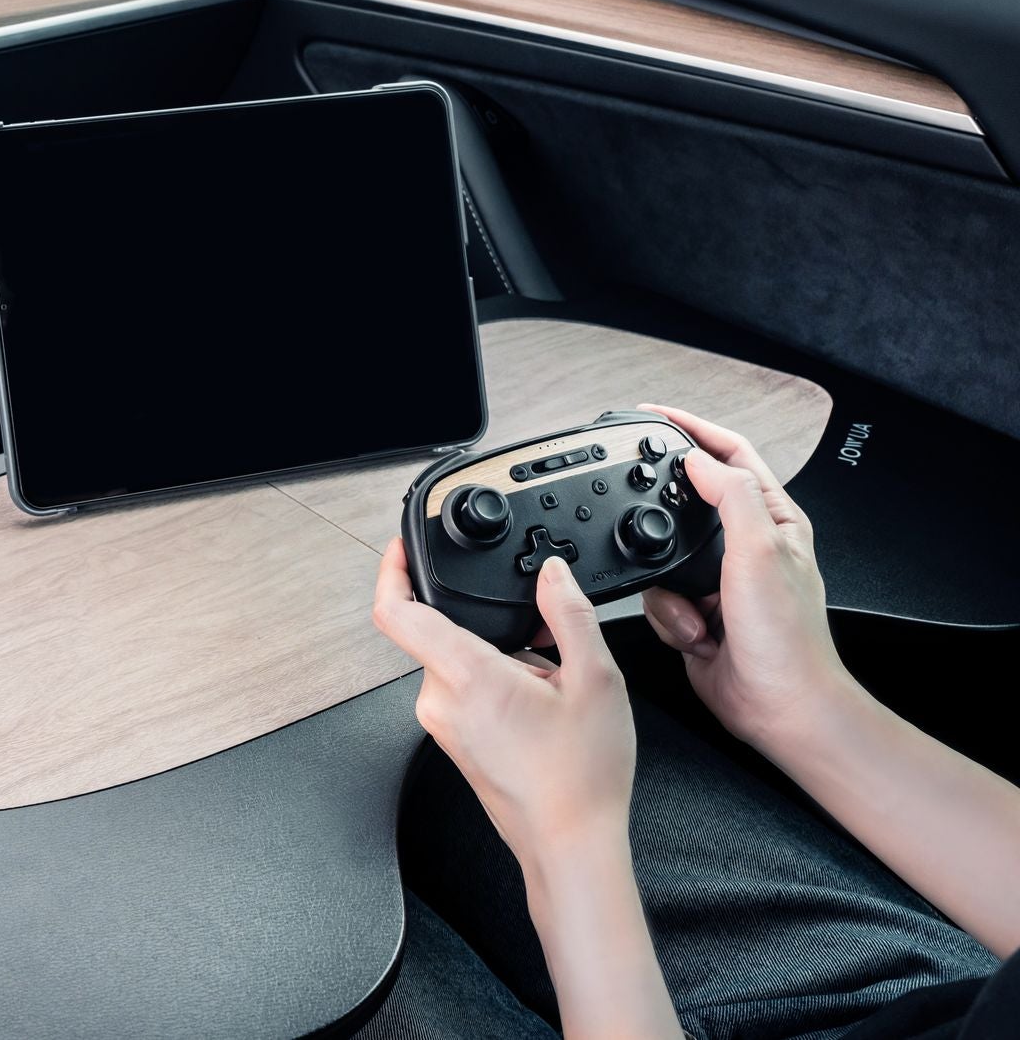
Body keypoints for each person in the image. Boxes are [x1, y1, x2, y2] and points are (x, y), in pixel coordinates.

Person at [361, 405, 1020, 1039]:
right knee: (422, 774)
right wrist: (805, 703)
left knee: (334, 944)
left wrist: (567, 840)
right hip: (953, 1005)